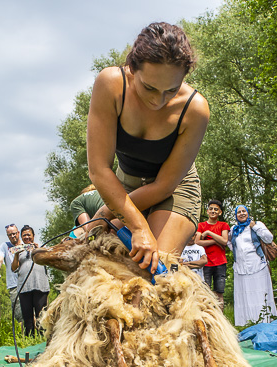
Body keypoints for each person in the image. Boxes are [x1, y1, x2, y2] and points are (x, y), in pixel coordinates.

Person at [86, 22, 210, 274]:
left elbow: (164, 185)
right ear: (132, 68)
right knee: (111, 270)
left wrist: (116, 215)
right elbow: (99, 169)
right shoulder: (111, 85)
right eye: (149, 87)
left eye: (171, 90)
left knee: (153, 271)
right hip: (125, 186)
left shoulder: (195, 109)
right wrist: (119, 215)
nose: (158, 100)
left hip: (175, 188)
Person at [228, 205, 277, 326]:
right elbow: (229, 242)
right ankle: (246, 322)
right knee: (245, 294)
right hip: (241, 267)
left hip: (257, 265)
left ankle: (263, 320)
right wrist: (237, 252)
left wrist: (254, 226)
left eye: (244, 211)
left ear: (248, 213)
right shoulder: (234, 229)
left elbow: (269, 238)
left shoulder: (257, 224)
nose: (241, 213)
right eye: (239, 212)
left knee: (259, 293)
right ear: (236, 215)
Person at [15, 225, 50, 337]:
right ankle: (29, 338)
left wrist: (38, 250)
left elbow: (48, 260)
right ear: (21, 237)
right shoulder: (19, 251)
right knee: (27, 317)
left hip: (40, 286)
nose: (27, 237)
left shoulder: (41, 248)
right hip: (24, 287)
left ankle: (43, 338)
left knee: (42, 315)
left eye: (29, 235)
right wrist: (16, 253)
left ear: (33, 236)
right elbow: (14, 268)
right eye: (24, 235)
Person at [196, 199, 230, 308]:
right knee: (205, 292)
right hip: (205, 263)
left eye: (216, 209)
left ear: (220, 212)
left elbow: (224, 241)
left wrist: (208, 233)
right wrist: (215, 241)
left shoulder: (223, 225)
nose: (213, 211)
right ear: (207, 211)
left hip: (220, 263)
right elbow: (197, 242)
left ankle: (220, 317)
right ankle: (207, 316)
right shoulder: (201, 225)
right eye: (211, 209)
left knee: (219, 293)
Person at [0, 224, 23, 322]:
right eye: (10, 235)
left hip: (27, 283)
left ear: (18, 233)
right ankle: (23, 332)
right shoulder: (5, 246)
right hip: (14, 285)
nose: (12, 236)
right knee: (19, 314)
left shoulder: (25, 245)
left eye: (14, 233)